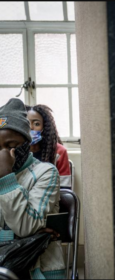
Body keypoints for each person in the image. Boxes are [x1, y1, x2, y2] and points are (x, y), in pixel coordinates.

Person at [0, 98, 66, 278]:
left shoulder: (45, 172)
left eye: (10, 146)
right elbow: (26, 233)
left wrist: (6, 178)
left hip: (38, 270)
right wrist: (16, 238)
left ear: (26, 143)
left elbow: (25, 226)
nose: (2, 154)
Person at [26, 104, 71, 188]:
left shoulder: (59, 151)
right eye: (27, 123)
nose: (31, 127)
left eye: (36, 124)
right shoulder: (13, 149)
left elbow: (64, 188)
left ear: (44, 127)